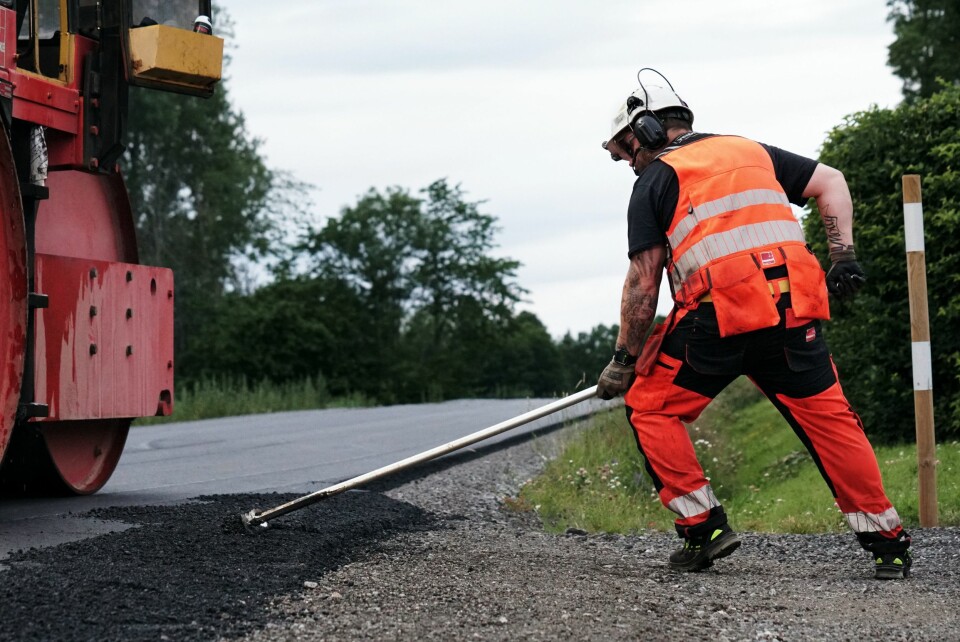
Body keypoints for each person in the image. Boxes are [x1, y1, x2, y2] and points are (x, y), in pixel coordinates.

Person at [596, 70, 912, 579]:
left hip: (715, 322)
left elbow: (643, 282)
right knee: (833, 426)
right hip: (793, 317)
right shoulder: (751, 150)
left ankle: (703, 529)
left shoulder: (655, 179)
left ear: (647, 130)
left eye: (627, 148)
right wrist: (843, 256)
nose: (630, 161)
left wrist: (623, 362)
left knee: (650, 408)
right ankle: (889, 544)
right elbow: (830, 180)